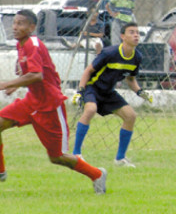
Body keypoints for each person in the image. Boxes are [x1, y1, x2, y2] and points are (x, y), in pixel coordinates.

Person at [0, 10, 107, 194]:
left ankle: (96, 174)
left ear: (32, 27)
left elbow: (37, 75)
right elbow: (34, 72)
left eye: (21, 24)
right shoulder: (21, 43)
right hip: (31, 101)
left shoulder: (33, 44)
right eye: (15, 23)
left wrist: (6, 84)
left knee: (57, 156)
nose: (15, 27)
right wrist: (16, 86)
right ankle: (1, 171)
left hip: (49, 105)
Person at [71, 21, 153, 167]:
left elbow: (131, 80)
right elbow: (88, 71)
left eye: (137, 32)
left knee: (131, 116)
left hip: (108, 92)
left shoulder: (137, 57)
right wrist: (80, 91)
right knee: (90, 109)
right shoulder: (110, 53)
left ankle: (120, 159)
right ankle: (76, 154)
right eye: (131, 32)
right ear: (122, 36)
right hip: (92, 88)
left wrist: (141, 92)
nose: (136, 35)